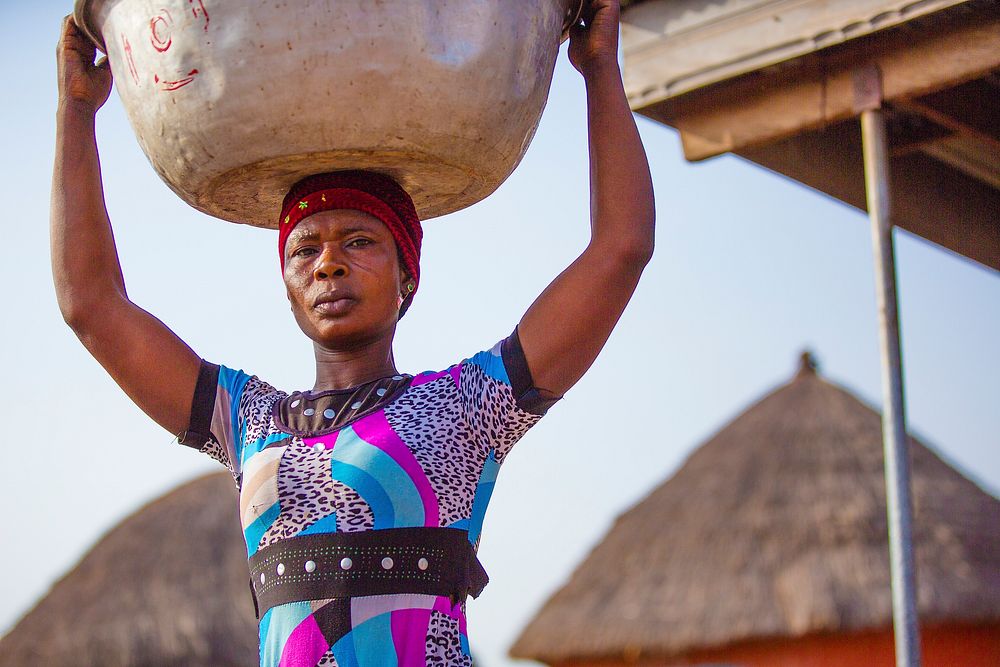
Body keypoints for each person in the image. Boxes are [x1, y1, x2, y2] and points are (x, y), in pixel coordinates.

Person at [53, 1, 654, 664]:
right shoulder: (248, 420)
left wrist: (600, 70)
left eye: (360, 240)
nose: (328, 263)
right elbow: (91, 305)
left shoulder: (467, 409)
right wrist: (76, 110)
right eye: (304, 249)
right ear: (287, 287)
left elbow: (620, 247)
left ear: (407, 277)